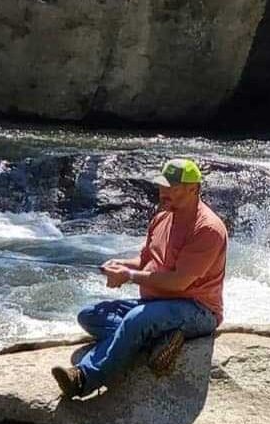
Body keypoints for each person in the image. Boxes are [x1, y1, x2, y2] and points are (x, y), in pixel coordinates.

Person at [51, 158, 227, 398]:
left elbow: (179, 282)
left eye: (171, 187)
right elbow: (145, 261)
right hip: (157, 305)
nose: (163, 191)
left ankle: (83, 379)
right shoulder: (162, 217)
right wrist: (120, 264)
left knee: (135, 322)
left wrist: (130, 276)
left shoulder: (207, 229)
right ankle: (158, 342)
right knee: (90, 316)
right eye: (162, 185)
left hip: (198, 310)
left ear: (193, 188)